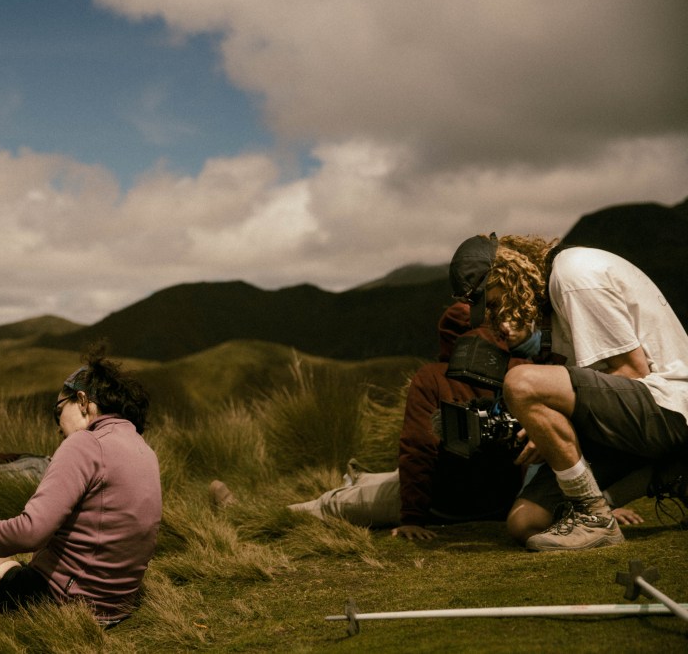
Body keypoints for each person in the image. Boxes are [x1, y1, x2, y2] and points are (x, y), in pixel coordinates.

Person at [283, 302, 646, 540]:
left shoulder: (445, 375)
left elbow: (417, 449)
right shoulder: (526, 374)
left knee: (352, 501)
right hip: (448, 501)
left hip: (460, 501)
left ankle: (353, 481)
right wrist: (411, 518)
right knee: (333, 507)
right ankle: (285, 510)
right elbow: (568, 443)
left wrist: (598, 506)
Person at [450, 233, 688, 551]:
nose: (496, 314)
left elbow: (633, 373)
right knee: (525, 522)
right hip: (633, 419)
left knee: (520, 383)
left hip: (668, 406)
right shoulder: (552, 303)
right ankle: (668, 472)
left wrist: (553, 423)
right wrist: (547, 429)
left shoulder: (575, 275)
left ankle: (594, 515)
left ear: (507, 273)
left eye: (492, 301)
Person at [0, 348, 162, 625]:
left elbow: (32, 531)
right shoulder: (144, 451)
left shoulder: (86, 443)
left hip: (51, 605)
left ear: (82, 400)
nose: (58, 427)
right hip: (112, 608)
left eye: (58, 411)